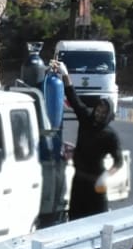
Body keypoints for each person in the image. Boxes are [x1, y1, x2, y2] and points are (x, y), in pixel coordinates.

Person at [52, 60, 124, 221]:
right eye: (98, 109)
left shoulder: (109, 135)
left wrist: (105, 176)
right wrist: (65, 74)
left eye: (103, 112)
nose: (99, 113)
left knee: (97, 222)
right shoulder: (86, 119)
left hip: (96, 184)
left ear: (109, 115)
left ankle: (100, 248)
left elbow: (118, 162)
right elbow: (73, 97)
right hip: (78, 180)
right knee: (75, 220)